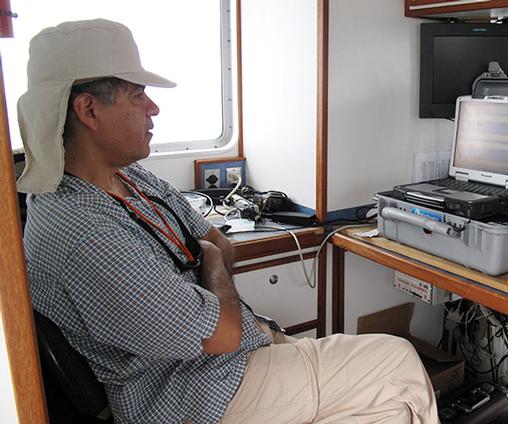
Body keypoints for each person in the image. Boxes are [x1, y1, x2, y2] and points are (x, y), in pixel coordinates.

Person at [19, 19, 439, 424]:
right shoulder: (82, 231)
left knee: (387, 408)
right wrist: (212, 268)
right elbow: (221, 331)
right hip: (189, 396)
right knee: (396, 362)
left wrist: (212, 269)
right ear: (88, 110)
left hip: (223, 360)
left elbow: (219, 241)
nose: (154, 108)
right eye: (137, 96)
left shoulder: (129, 176)